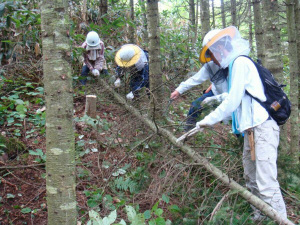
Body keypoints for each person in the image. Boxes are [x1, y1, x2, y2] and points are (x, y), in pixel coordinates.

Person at [195, 26, 287, 220]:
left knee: (266, 183)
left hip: (263, 128)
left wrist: (207, 120)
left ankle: (282, 220)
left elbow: (233, 101)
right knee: (251, 178)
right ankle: (259, 217)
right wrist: (212, 102)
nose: (214, 60)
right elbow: (236, 97)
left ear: (220, 49)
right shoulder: (236, 65)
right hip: (251, 130)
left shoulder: (240, 63)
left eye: (213, 55)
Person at [170, 29, 229, 131]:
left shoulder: (237, 63)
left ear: (220, 48)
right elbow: (195, 79)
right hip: (215, 92)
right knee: (195, 105)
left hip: (231, 98)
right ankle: (187, 130)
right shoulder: (211, 66)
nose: (211, 58)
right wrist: (178, 90)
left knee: (233, 122)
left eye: (211, 54)